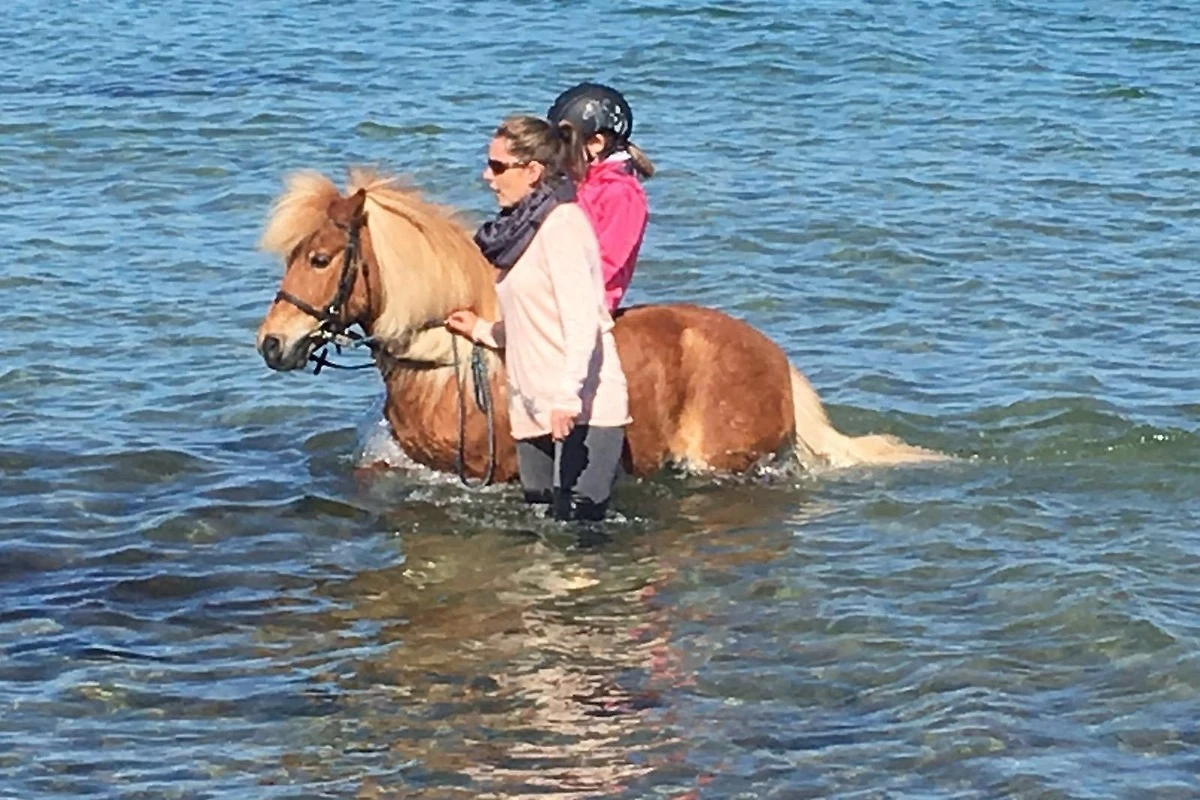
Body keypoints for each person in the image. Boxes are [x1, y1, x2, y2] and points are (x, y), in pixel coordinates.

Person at [445, 115, 631, 522]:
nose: (487, 177)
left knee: (579, 534)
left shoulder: (563, 224)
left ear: (532, 171)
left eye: (497, 167)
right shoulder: (516, 234)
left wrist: (568, 397)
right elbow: (531, 320)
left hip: (581, 408)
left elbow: (581, 320)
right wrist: (481, 330)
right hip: (532, 408)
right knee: (540, 528)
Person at [547, 82, 654, 313]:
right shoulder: (580, 183)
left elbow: (607, 262)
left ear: (596, 143)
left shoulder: (622, 193)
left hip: (584, 305)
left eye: (564, 143)